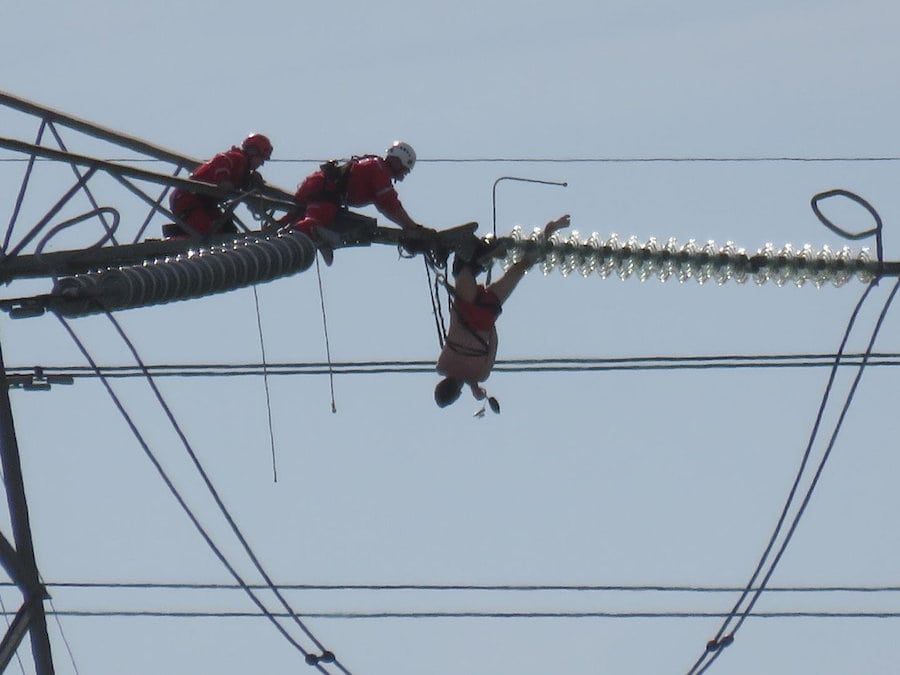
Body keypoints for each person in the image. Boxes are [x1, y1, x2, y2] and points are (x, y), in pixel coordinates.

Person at [434, 215, 571, 410]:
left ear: (456, 395)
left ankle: (549, 231)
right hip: (466, 306)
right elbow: (457, 372)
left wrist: (489, 326)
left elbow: (494, 343)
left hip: (486, 314)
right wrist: (471, 385)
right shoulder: (443, 365)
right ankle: (480, 254)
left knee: (521, 267)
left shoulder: (480, 374)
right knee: (462, 268)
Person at [284, 141, 428, 264]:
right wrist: (411, 227)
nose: (403, 175)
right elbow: (390, 204)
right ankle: (291, 237)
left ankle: (302, 236)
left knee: (330, 224)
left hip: (325, 192)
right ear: (399, 161)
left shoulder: (376, 168)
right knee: (315, 224)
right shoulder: (378, 169)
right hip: (323, 191)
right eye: (404, 170)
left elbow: (386, 206)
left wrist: (409, 226)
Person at [165, 133, 273, 238]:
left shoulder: (243, 173)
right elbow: (222, 160)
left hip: (205, 203)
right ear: (252, 151)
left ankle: (180, 234)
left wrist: (259, 204)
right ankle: (175, 240)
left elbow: (247, 194)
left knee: (227, 230)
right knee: (208, 233)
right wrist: (223, 179)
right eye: (261, 158)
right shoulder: (238, 158)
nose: (261, 163)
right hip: (188, 199)